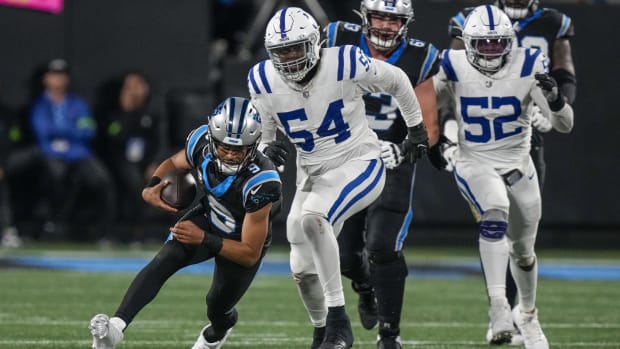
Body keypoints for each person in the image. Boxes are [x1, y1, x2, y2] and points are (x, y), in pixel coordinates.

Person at [248, 7, 429, 349]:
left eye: (296, 48)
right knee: (301, 267)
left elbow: (398, 81)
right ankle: (321, 333)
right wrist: (266, 150)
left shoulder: (344, 61)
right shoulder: (261, 79)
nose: (289, 59)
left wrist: (416, 129)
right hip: (313, 172)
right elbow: (268, 133)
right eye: (281, 52)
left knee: (314, 218)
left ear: (315, 43)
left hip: (359, 160)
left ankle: (338, 323)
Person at [88, 96, 282, 349]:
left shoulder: (263, 182)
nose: (232, 155)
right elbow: (174, 163)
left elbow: (249, 254)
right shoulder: (200, 141)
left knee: (217, 307)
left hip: (240, 240)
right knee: (165, 257)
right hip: (209, 216)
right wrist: (152, 186)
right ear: (212, 138)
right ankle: (115, 328)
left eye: (240, 148)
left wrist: (204, 239)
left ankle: (215, 335)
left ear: (254, 144)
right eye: (225, 147)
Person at [432, 5, 573, 349]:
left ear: (510, 41)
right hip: (473, 160)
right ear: (467, 43)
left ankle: (527, 312)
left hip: (518, 163)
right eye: (483, 43)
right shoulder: (451, 63)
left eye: (498, 43)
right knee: (494, 212)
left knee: (524, 252)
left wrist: (554, 101)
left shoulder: (528, 63)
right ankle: (498, 307)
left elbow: (564, 125)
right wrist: (438, 138)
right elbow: (422, 103)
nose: (492, 50)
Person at [323, 0, 440, 347]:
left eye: (395, 19)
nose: (387, 26)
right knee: (342, 255)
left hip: (391, 160)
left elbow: (429, 126)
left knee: (382, 247)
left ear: (406, 23)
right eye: (380, 16)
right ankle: (364, 286)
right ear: (364, 16)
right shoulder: (336, 38)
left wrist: (402, 149)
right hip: (343, 160)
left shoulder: (419, 56)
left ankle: (390, 334)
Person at [30, 58, 115, 241]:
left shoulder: (78, 105)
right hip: (51, 153)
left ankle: (103, 232)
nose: (58, 80)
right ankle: (53, 225)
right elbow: (43, 132)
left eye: (62, 76)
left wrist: (62, 134)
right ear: (46, 79)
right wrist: (72, 131)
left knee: (101, 180)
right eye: (54, 75)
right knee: (56, 176)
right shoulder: (39, 106)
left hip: (78, 152)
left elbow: (89, 130)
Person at [99, 70, 161, 242]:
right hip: (120, 161)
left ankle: (146, 231)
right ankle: (122, 230)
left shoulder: (153, 113)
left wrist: (156, 162)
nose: (135, 91)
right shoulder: (114, 115)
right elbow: (113, 138)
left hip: (147, 162)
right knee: (131, 178)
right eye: (130, 87)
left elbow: (161, 140)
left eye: (139, 86)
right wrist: (126, 111)